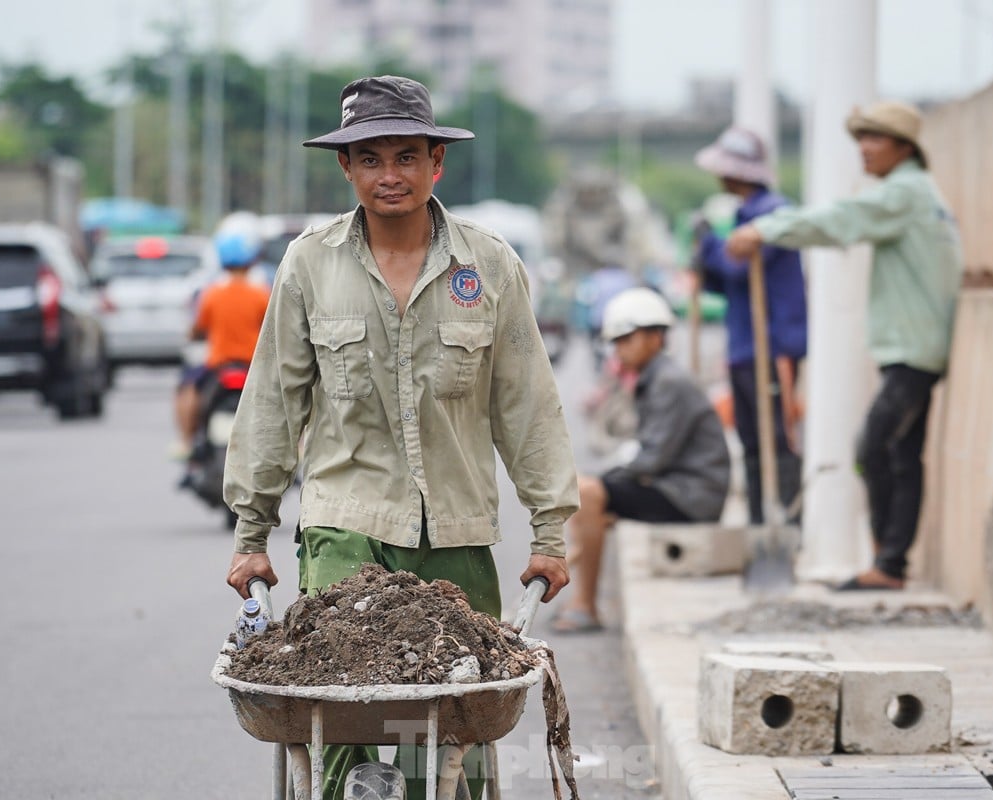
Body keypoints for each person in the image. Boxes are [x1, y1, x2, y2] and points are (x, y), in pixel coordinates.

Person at [221, 75, 579, 799]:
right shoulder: (309, 263)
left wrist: (550, 530)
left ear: (436, 164)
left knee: (455, 736)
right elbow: (273, 401)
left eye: (408, 156)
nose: (392, 175)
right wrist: (251, 532)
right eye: (373, 159)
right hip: (344, 533)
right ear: (346, 169)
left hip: (456, 536)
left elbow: (528, 405)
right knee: (343, 734)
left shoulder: (490, 265)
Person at [726, 100, 963, 591]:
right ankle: (891, 563)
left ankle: (887, 561)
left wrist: (765, 230)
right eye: (861, 138)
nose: (864, 149)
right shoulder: (918, 191)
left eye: (875, 139)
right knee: (900, 454)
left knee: (872, 448)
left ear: (904, 147)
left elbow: (839, 220)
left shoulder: (903, 193)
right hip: (913, 345)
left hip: (914, 349)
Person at [552, 287, 730, 632]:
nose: (619, 349)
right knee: (592, 491)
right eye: (616, 342)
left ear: (655, 336)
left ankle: (586, 605)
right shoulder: (654, 377)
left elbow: (651, 459)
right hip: (677, 487)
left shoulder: (669, 382)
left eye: (626, 339)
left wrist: (604, 482)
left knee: (588, 493)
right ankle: (579, 597)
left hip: (691, 496)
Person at [693, 126, 807, 526]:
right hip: (744, 347)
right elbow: (727, 283)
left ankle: (791, 526)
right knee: (751, 441)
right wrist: (704, 262)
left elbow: (740, 268)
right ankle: (760, 526)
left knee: (778, 439)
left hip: (772, 347)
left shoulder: (773, 214)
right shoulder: (744, 214)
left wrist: (710, 247)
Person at [173, 229, 271, 459]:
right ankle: (296, 448)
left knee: (187, 390)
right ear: (251, 261)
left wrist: (194, 334)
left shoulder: (212, 294)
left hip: (219, 366)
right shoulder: (260, 293)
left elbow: (198, 328)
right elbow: (272, 327)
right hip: (253, 366)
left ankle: (186, 442)